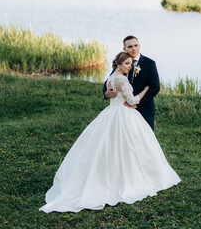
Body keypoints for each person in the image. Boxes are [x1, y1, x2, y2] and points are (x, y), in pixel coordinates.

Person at [39, 52, 181, 213]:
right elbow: (132, 100)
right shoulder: (122, 79)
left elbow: (111, 94)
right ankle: (130, 179)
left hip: (111, 112)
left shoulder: (111, 78)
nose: (130, 66)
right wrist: (144, 91)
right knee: (130, 145)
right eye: (127, 63)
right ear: (119, 63)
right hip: (124, 114)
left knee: (106, 145)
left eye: (131, 64)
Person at [103, 35, 160, 131]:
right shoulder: (121, 62)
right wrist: (106, 93)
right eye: (130, 47)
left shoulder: (149, 63)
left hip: (144, 109)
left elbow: (155, 87)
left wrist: (137, 104)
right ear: (124, 48)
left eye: (136, 45)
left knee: (144, 140)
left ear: (139, 46)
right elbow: (110, 79)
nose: (134, 49)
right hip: (123, 111)